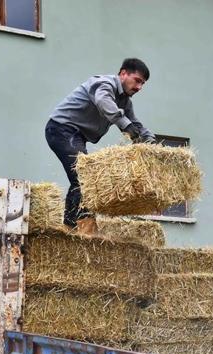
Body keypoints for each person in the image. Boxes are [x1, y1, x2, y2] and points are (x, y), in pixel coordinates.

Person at [45, 58, 156, 233]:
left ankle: (70, 225)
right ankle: (81, 226)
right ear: (123, 73)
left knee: (81, 178)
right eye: (137, 80)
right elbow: (104, 102)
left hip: (77, 136)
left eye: (143, 84)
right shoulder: (104, 84)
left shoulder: (125, 102)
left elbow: (136, 124)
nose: (139, 87)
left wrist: (152, 143)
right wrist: (125, 125)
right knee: (84, 176)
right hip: (61, 129)